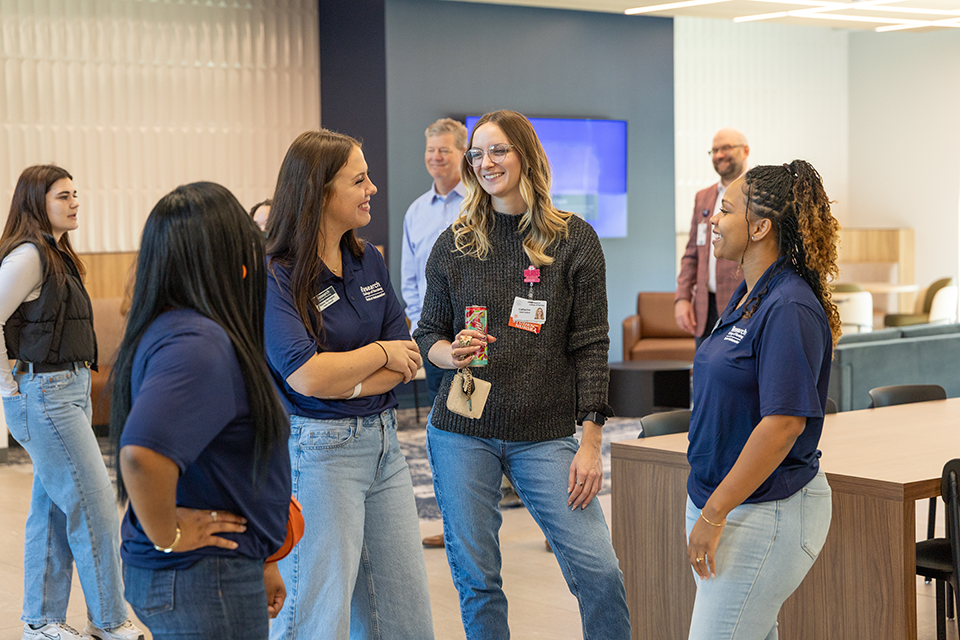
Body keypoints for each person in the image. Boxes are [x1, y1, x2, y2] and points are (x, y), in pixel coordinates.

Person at [414, 110, 631, 640]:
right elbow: (428, 335)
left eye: (498, 151)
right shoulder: (455, 243)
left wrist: (590, 440)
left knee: (599, 571)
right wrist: (451, 353)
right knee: (478, 580)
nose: (486, 163)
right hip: (462, 430)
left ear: (526, 155)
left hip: (545, 435)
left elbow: (591, 343)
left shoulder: (575, 241)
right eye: (477, 154)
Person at [264, 130, 434, 640]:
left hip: (385, 445)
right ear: (319, 192)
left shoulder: (370, 260)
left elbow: (409, 357)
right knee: (317, 618)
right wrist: (378, 354)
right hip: (320, 453)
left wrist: (352, 378)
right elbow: (308, 375)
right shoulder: (278, 275)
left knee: (406, 618)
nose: (373, 189)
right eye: (359, 180)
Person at [111, 182, 292, 639]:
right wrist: (168, 532)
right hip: (202, 577)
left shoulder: (186, 327)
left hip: (219, 568)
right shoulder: (198, 344)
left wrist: (263, 557)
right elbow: (140, 454)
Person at [684, 160, 839, 640]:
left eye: (724, 210)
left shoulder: (788, 306)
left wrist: (713, 514)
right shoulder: (750, 295)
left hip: (765, 512)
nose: (713, 218)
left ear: (760, 226)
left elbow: (783, 426)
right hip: (727, 505)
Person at [0, 165, 143, 640]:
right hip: (46, 397)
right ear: (37, 203)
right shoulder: (28, 256)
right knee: (95, 503)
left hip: (68, 394)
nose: (75, 202)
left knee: (55, 508)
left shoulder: (56, 254)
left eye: (76, 193)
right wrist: (7, 382)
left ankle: (40, 622)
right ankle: (109, 621)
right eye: (64, 195)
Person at [400, 117, 468, 403]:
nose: (435, 157)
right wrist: (420, 325)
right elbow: (410, 279)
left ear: (463, 153)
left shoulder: (479, 204)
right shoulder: (415, 212)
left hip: (473, 331)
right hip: (433, 335)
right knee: (440, 413)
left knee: (475, 414)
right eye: (431, 150)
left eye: (444, 150)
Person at [675, 128, 748, 347]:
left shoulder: (757, 193)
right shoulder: (703, 198)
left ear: (745, 150)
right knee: (704, 374)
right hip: (705, 308)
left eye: (726, 148)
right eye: (714, 150)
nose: (718, 155)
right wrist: (682, 298)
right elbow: (692, 254)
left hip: (742, 306)